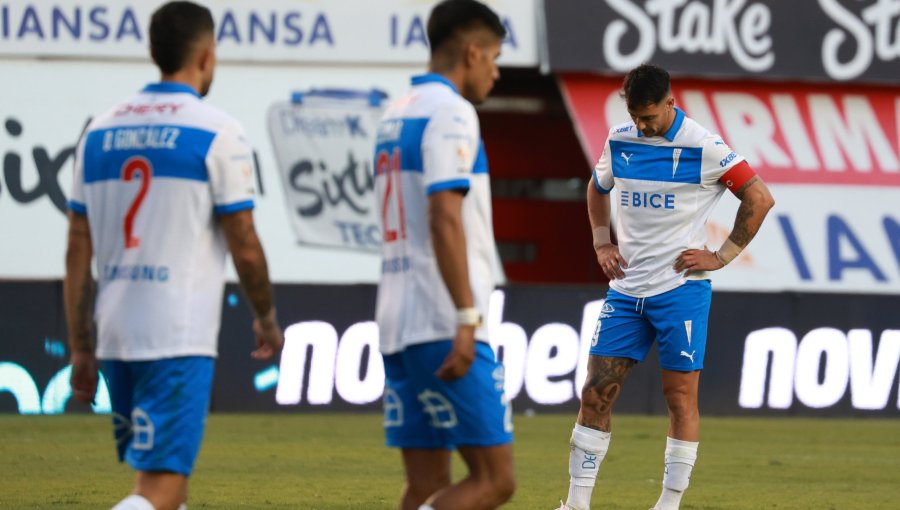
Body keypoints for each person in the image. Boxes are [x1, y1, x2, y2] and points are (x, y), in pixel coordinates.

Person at [63, 2, 283, 509]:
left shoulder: (98, 132)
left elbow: (78, 245)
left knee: (170, 489)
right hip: (175, 337)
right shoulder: (216, 131)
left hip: (117, 335)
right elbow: (244, 243)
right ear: (206, 56)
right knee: (158, 490)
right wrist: (266, 317)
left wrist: (80, 345)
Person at [556, 64, 775, 510]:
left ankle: (668, 505)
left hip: (681, 291)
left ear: (671, 104)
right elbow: (597, 188)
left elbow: (759, 197)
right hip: (626, 290)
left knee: (679, 398)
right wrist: (602, 242)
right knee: (595, 391)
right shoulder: (620, 139)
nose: (643, 124)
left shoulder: (704, 146)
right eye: (636, 115)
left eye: (650, 116)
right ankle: (576, 504)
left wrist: (722, 255)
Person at [373, 1, 515, 509]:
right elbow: (444, 216)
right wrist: (465, 316)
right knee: (495, 480)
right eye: (495, 57)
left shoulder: (396, 111)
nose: (496, 71)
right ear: (472, 52)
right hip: (441, 318)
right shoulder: (452, 111)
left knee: (427, 484)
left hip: (397, 320)